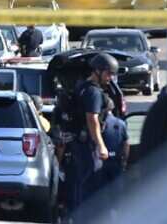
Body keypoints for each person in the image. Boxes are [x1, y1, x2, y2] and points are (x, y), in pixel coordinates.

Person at [65, 53, 118, 213]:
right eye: (108, 73)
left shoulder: (82, 87)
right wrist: (101, 146)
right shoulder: (94, 92)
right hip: (88, 144)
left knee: (81, 182)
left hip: (79, 143)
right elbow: (92, 119)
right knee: (90, 183)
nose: (110, 78)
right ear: (98, 71)